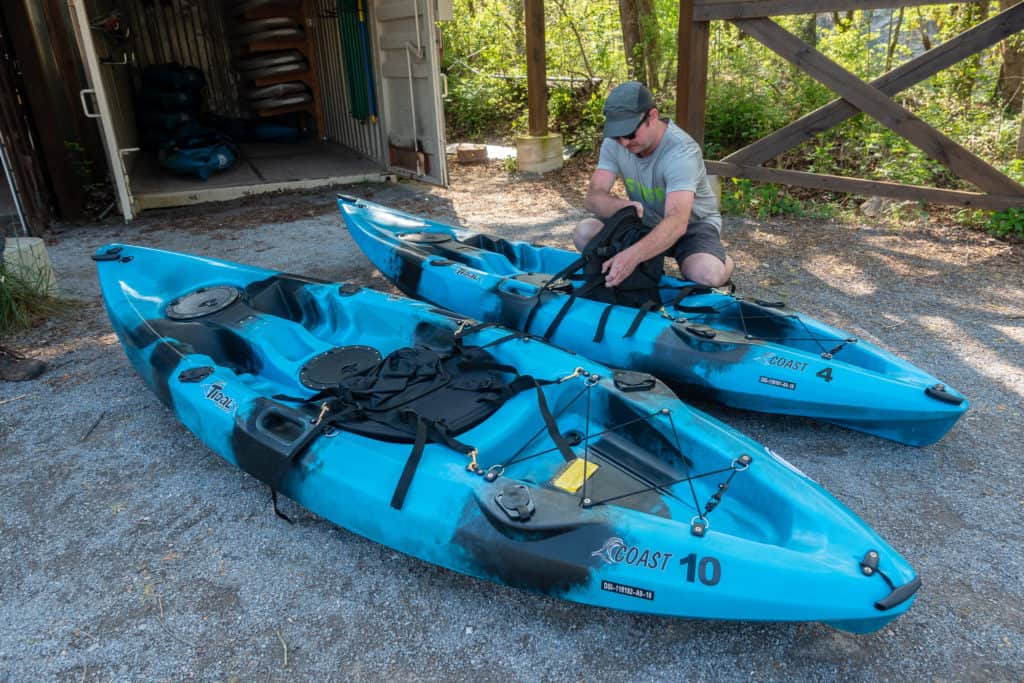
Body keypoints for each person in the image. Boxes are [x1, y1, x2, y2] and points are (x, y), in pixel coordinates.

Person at [575, 81, 734, 288]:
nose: (624, 142)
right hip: (644, 222)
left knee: (706, 274)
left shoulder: (682, 151)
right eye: (617, 134)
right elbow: (593, 197)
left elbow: (677, 221)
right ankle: (647, 268)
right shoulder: (614, 144)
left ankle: (725, 262)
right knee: (585, 233)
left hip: (691, 225)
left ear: (653, 116)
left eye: (630, 133)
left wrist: (630, 257)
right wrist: (620, 207)